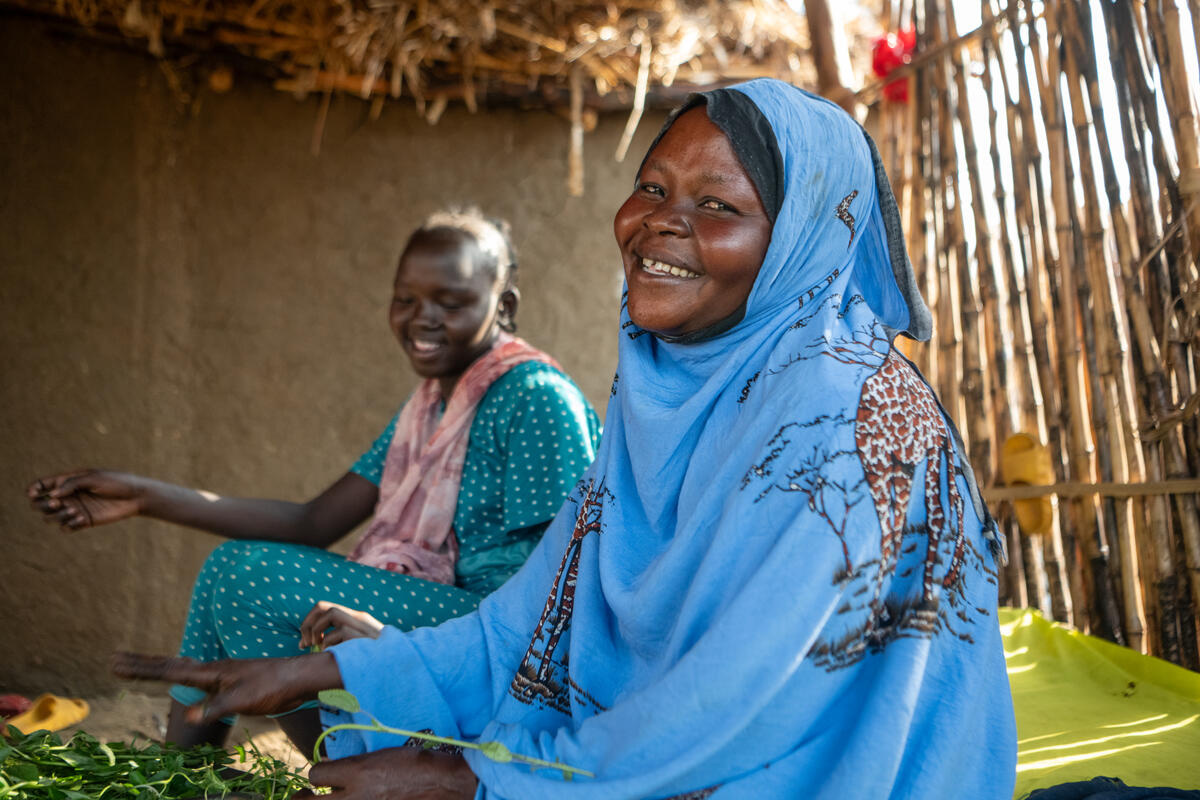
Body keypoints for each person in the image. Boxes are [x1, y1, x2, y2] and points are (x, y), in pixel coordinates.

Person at [113, 80, 1017, 799]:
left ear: (803, 248)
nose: (664, 223)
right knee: (377, 727)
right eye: (654, 189)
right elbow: (533, 620)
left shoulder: (842, 425)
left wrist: (469, 781)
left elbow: (738, 704)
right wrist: (327, 666)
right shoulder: (674, 390)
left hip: (821, 769)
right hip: (663, 733)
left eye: (719, 206)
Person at [30, 208, 601, 754]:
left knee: (244, 575)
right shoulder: (431, 407)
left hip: (510, 640)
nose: (421, 318)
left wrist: (391, 636)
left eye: (450, 301)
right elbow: (313, 521)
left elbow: (565, 588)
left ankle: (347, 767)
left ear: (503, 305)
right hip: (459, 618)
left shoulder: (535, 399)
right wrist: (144, 495)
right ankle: (181, 774)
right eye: (406, 299)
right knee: (225, 573)